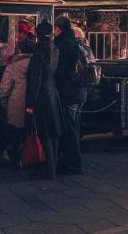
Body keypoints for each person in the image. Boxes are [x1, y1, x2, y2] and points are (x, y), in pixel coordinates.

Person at [25, 21, 63, 179]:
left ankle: (49, 169)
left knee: (44, 132)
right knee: (53, 132)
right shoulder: (55, 49)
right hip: (53, 93)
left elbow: (35, 81)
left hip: (42, 96)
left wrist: (30, 104)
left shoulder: (38, 53)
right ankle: (52, 167)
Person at [53, 16, 86, 175]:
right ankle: (73, 161)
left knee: (69, 129)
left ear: (58, 29)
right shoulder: (75, 42)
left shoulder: (61, 44)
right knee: (74, 128)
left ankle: (73, 164)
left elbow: (59, 71)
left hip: (69, 92)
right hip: (80, 91)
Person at [0, 37, 34, 168]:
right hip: (34, 103)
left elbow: (5, 87)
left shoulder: (14, 65)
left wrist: (4, 103)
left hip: (17, 103)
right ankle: (31, 157)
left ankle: (18, 160)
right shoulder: (36, 62)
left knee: (16, 133)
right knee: (29, 132)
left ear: (19, 49)